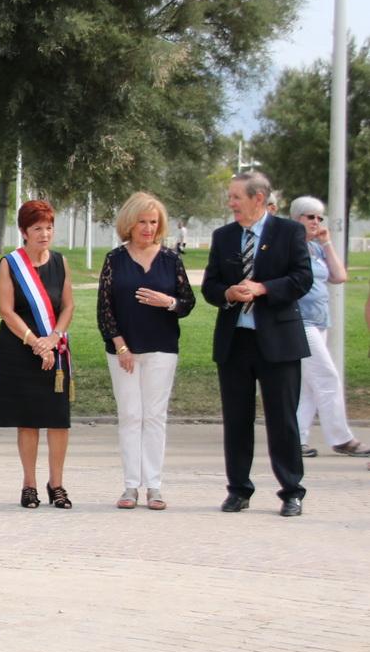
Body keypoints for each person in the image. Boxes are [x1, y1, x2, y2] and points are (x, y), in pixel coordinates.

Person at [201, 171, 312, 517]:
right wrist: (227, 293)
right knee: (236, 419)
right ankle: (238, 490)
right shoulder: (223, 236)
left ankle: (291, 491)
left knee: (282, 419)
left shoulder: (289, 232)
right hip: (236, 341)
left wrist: (263, 288)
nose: (230, 203)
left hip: (278, 341)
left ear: (258, 198)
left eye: (236, 197)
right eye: (230, 197)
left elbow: (302, 278)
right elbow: (210, 286)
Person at [96, 192, 195, 511]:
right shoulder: (115, 259)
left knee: (154, 416)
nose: (148, 228)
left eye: (153, 222)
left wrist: (167, 302)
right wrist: (120, 345)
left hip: (162, 349)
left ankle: (154, 485)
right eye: (142, 222)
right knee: (130, 415)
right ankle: (130, 486)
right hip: (123, 351)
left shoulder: (170, 259)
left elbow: (187, 303)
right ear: (129, 223)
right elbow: (105, 309)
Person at [0, 200, 75, 509]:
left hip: (56, 350)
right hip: (20, 348)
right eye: (37, 228)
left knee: (58, 420)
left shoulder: (61, 263)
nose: (44, 234)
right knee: (27, 420)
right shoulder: (10, 264)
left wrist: (53, 338)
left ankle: (57, 484)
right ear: (24, 231)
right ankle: (29, 485)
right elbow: (6, 310)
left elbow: (68, 306)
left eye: (49, 228)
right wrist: (34, 341)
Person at [289, 196, 370, 458]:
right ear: (297, 218)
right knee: (327, 377)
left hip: (320, 320)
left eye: (319, 217)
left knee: (310, 386)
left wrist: (326, 242)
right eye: (310, 216)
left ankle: (295, 440)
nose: (316, 222)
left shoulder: (317, 249)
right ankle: (341, 438)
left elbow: (339, 276)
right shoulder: (290, 246)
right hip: (300, 321)